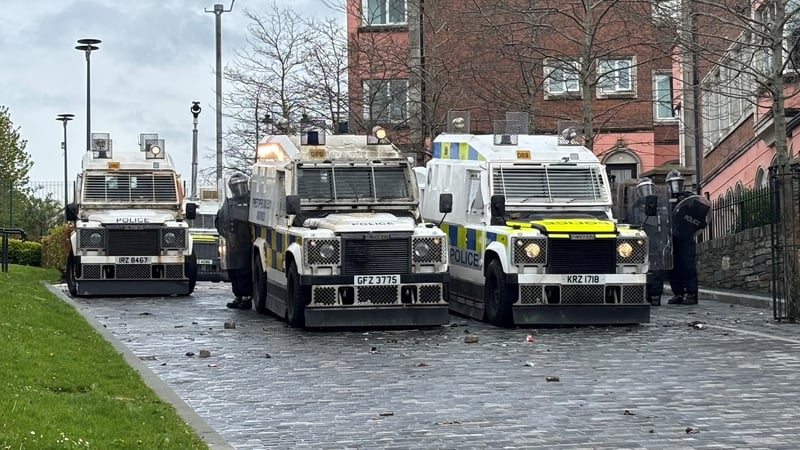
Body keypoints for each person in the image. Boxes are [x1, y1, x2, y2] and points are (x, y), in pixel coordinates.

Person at [629, 177, 672, 306]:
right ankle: (644, 294)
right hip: (640, 242)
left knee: (657, 269)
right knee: (641, 269)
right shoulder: (636, 206)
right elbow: (631, 223)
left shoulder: (660, 204)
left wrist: (665, 239)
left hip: (656, 241)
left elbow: (665, 223)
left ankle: (655, 295)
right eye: (644, 189)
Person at [215, 173, 253, 309]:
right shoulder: (229, 203)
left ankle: (247, 297)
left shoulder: (253, 202)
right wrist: (226, 235)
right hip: (232, 243)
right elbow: (220, 220)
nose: (239, 189)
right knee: (234, 272)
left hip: (247, 243)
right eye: (236, 186)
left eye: (241, 185)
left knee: (245, 271)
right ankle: (238, 295)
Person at [665, 170, 699, 305]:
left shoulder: (688, 198)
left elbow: (697, 214)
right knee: (673, 266)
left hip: (685, 236)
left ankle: (691, 293)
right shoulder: (664, 199)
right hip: (670, 237)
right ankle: (678, 293)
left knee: (687, 265)